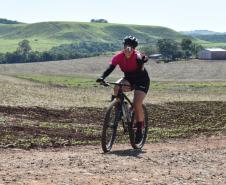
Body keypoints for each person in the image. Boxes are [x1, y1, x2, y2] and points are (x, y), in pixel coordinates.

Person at [96, 35, 150, 143]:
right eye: (126, 46)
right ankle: (119, 108)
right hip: (129, 79)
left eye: (130, 47)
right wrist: (102, 77)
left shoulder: (137, 56)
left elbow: (142, 59)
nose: (127, 49)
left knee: (136, 104)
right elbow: (110, 68)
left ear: (133, 48)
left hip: (141, 81)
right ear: (124, 46)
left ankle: (139, 129)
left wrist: (143, 60)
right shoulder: (119, 57)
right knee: (117, 86)